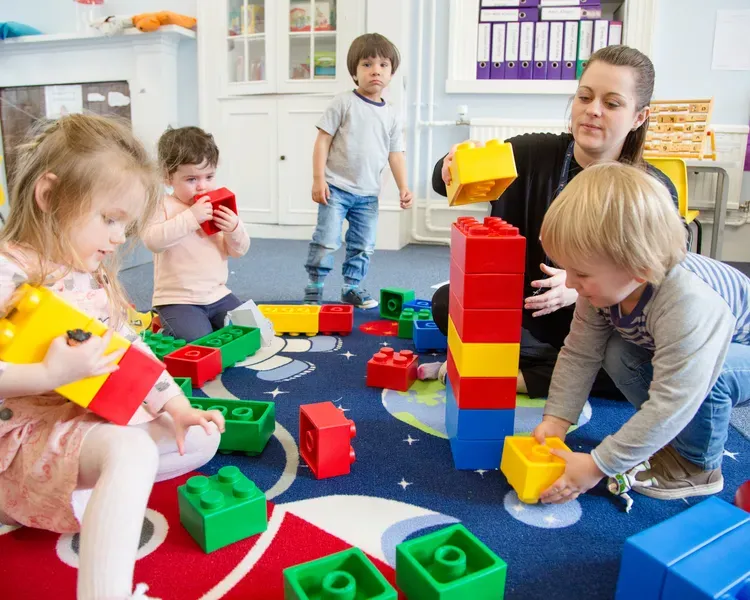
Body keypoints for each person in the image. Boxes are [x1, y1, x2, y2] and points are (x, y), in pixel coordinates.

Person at [0, 114, 225, 600]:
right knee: (134, 450)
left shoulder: (90, 278)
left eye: (125, 224)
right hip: (18, 439)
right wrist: (45, 373)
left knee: (199, 435)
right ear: (50, 196)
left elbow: (132, 353)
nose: (120, 238)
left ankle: (95, 491)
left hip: (77, 426)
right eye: (109, 219)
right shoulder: (7, 273)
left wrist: (176, 408)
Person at [428, 45, 679, 398]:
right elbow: (442, 183)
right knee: (445, 303)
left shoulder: (651, 190)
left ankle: (516, 375)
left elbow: (660, 286)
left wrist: (580, 289)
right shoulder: (531, 154)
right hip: (525, 313)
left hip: (600, 321)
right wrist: (451, 165)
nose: (592, 111)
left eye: (611, 103)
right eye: (585, 97)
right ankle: (550, 373)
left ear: (639, 116)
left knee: (627, 359)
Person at [531, 162, 750, 504]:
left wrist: (600, 464)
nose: (570, 284)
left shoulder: (688, 303)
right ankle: (664, 436)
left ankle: (697, 466)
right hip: (697, 352)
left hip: (737, 353)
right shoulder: (602, 289)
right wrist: (557, 419)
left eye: (581, 274)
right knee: (617, 351)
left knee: (708, 377)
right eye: (566, 270)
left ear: (640, 269)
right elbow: (579, 353)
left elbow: (676, 396)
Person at [303, 33, 413, 309]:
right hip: (335, 188)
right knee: (327, 240)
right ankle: (315, 286)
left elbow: (395, 155)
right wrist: (318, 180)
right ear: (354, 72)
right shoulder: (343, 103)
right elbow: (322, 142)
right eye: (367, 64)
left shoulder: (392, 114)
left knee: (363, 246)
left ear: (391, 72)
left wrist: (403, 187)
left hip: (368, 195)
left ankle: (351, 287)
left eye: (383, 65)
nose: (375, 70)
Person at [143, 126, 250, 342]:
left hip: (218, 294)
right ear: (167, 177)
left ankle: (198, 323)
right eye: (191, 179)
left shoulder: (217, 206)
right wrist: (192, 217)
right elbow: (154, 241)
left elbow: (238, 251)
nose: (202, 187)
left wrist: (234, 228)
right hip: (177, 299)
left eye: (209, 176)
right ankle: (166, 326)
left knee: (249, 331)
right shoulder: (162, 205)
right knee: (199, 342)